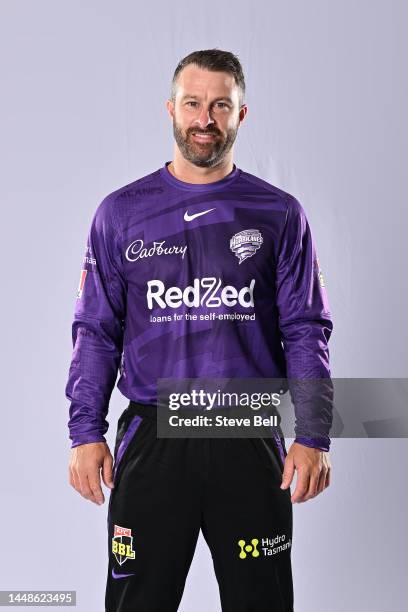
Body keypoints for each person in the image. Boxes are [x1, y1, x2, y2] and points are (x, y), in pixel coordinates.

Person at [65, 48, 333, 612]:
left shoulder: (278, 213)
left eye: (220, 105)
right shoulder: (120, 213)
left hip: (247, 432)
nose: (204, 119)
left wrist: (313, 435)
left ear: (241, 114)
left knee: (261, 601)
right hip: (153, 437)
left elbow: (306, 329)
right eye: (193, 104)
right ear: (171, 109)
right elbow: (95, 330)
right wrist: (84, 431)